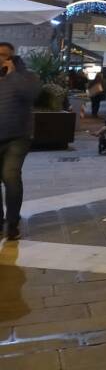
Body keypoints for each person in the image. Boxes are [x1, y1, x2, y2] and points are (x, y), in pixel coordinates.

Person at [0, 42, 40, 240]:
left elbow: (32, 95)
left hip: (18, 137)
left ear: (12, 58)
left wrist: (13, 75)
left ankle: (12, 223)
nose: (1, 58)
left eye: (5, 55)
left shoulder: (26, 76)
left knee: (10, 176)